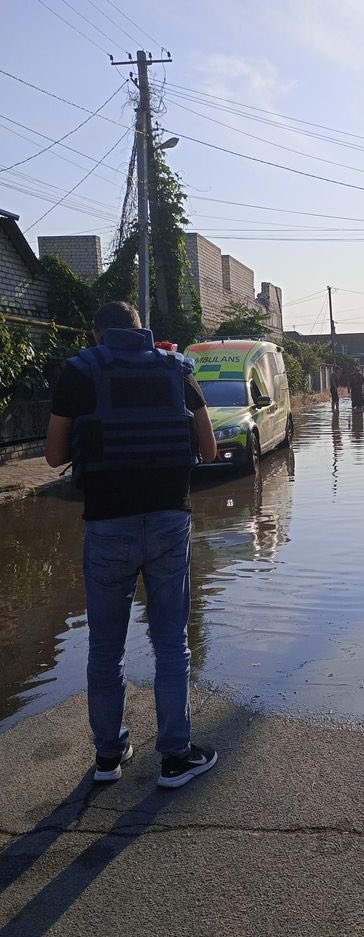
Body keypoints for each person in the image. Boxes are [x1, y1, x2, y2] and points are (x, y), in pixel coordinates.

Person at [45, 301, 219, 789]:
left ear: (97, 333)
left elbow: (54, 454)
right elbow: (208, 450)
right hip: (168, 521)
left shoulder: (79, 372)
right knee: (171, 643)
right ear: (143, 330)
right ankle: (176, 757)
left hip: (106, 524)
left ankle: (107, 758)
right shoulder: (176, 369)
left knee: (105, 647)